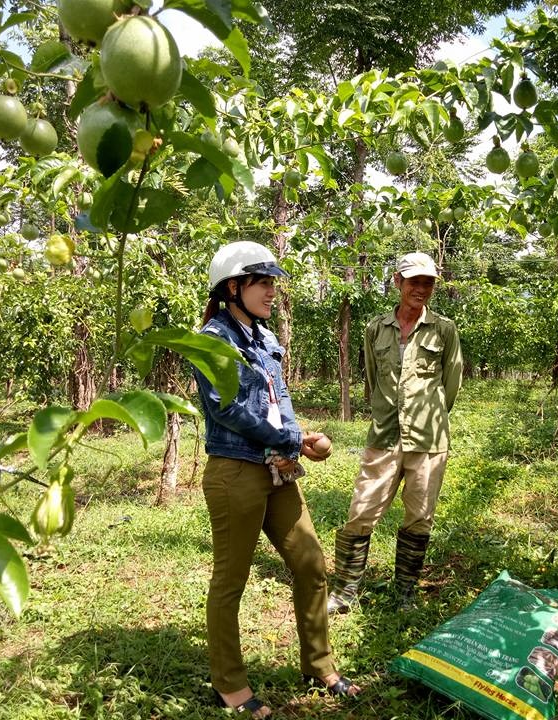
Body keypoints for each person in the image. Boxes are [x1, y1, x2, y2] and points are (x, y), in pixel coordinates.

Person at [192, 241, 360, 718]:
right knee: (232, 579)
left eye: (272, 283)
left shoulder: (265, 339)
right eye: (262, 282)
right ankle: (229, 684)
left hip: (276, 469)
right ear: (233, 287)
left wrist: (300, 437)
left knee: (310, 563)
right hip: (236, 472)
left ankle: (319, 665)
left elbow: (276, 400)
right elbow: (226, 408)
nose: (271, 292)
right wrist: (289, 442)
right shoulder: (212, 340)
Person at [327, 251, 463, 614]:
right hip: (385, 433)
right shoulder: (375, 328)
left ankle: (404, 592)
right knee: (362, 510)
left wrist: (427, 414)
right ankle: (344, 592)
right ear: (397, 281)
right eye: (414, 281)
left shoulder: (444, 330)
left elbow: (451, 384)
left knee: (419, 516)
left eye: (428, 282)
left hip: (428, 438)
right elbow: (373, 378)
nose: (421, 288)